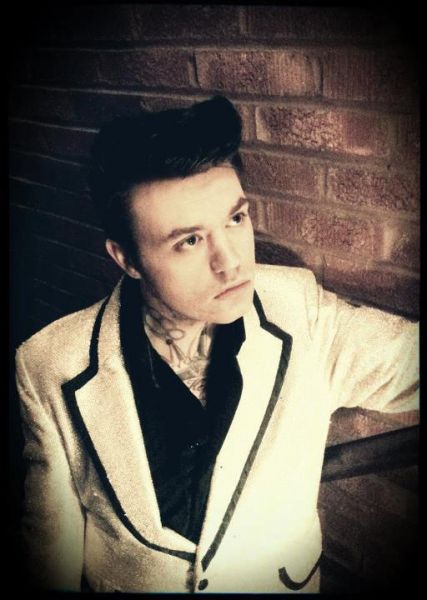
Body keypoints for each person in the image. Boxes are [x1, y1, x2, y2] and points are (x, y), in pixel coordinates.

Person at [15, 95, 418, 593]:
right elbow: (50, 547)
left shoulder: (301, 312)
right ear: (126, 259)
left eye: (235, 219)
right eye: (189, 241)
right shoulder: (50, 362)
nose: (231, 263)